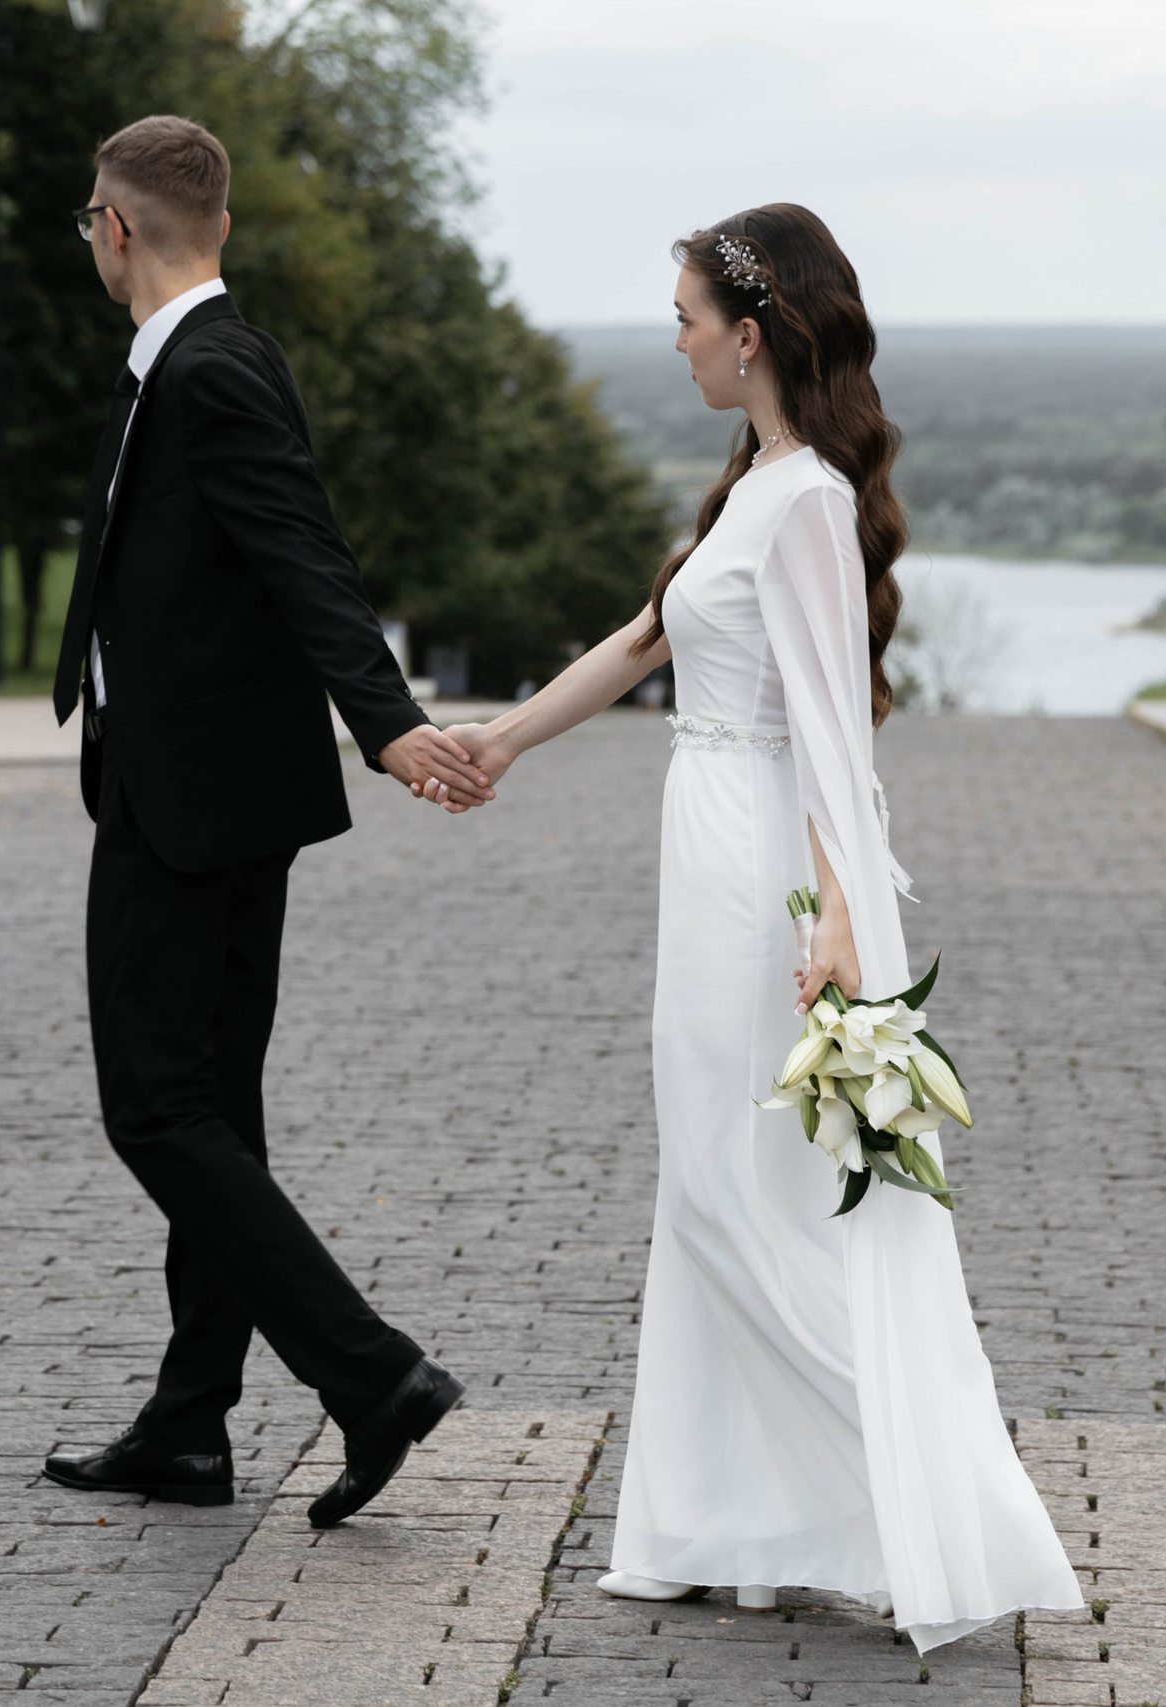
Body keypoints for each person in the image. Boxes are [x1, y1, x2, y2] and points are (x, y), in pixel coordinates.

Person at [435, 206, 1083, 1650]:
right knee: (707, 1171)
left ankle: (929, 1491)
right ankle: (732, 1519)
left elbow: (836, 725)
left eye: (684, 315)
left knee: (740, 1185)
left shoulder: (807, 505)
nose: (671, 337)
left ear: (752, 332)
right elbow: (645, 639)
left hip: (760, 860)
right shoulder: (755, 486)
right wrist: (502, 743)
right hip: (706, 837)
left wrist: (842, 911)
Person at [40, 115, 486, 1528]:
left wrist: (390, 719)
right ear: (216, 226)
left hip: (190, 807)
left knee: (157, 1111)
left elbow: (305, 550)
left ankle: (371, 1376)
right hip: (217, 794)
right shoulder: (207, 357)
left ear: (116, 233)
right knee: (215, 1112)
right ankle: (188, 1421)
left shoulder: (211, 367)